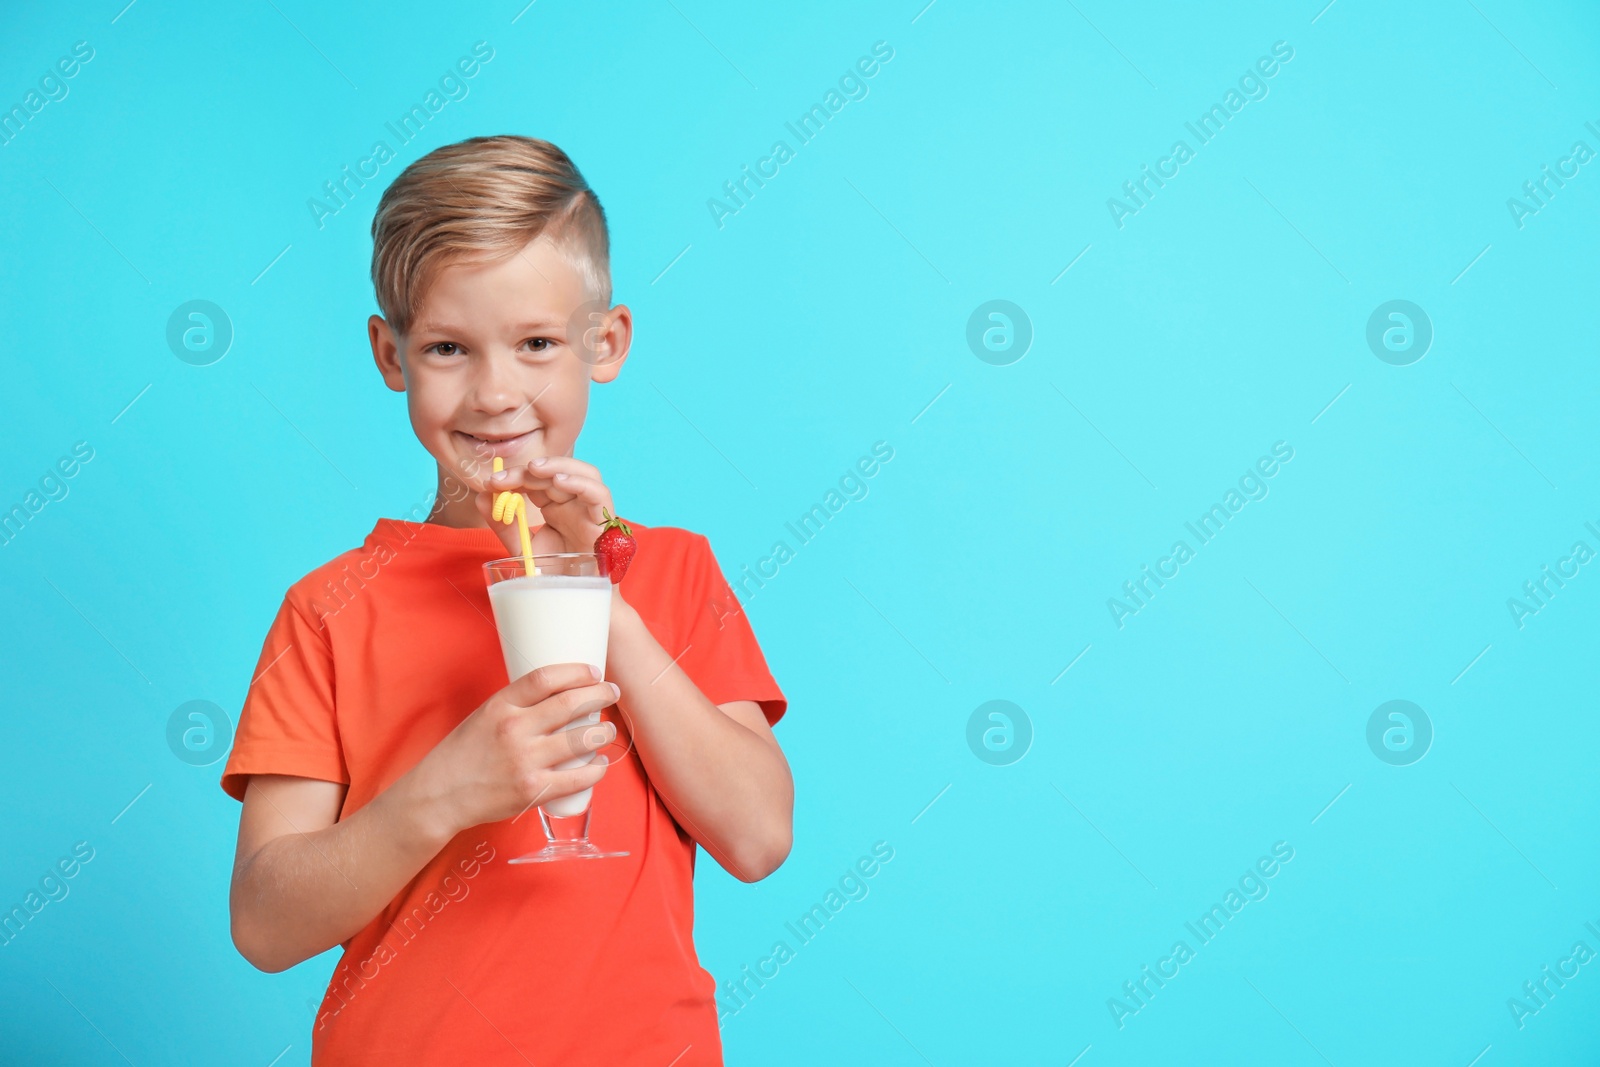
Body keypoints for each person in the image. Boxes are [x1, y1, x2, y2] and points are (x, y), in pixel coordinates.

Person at [220, 135, 793, 1065]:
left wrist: (601, 592)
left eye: (535, 343)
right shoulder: (327, 609)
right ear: (390, 353)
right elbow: (264, 921)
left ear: (603, 344)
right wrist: (442, 794)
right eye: (448, 346)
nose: (495, 392)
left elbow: (759, 836)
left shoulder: (673, 570)